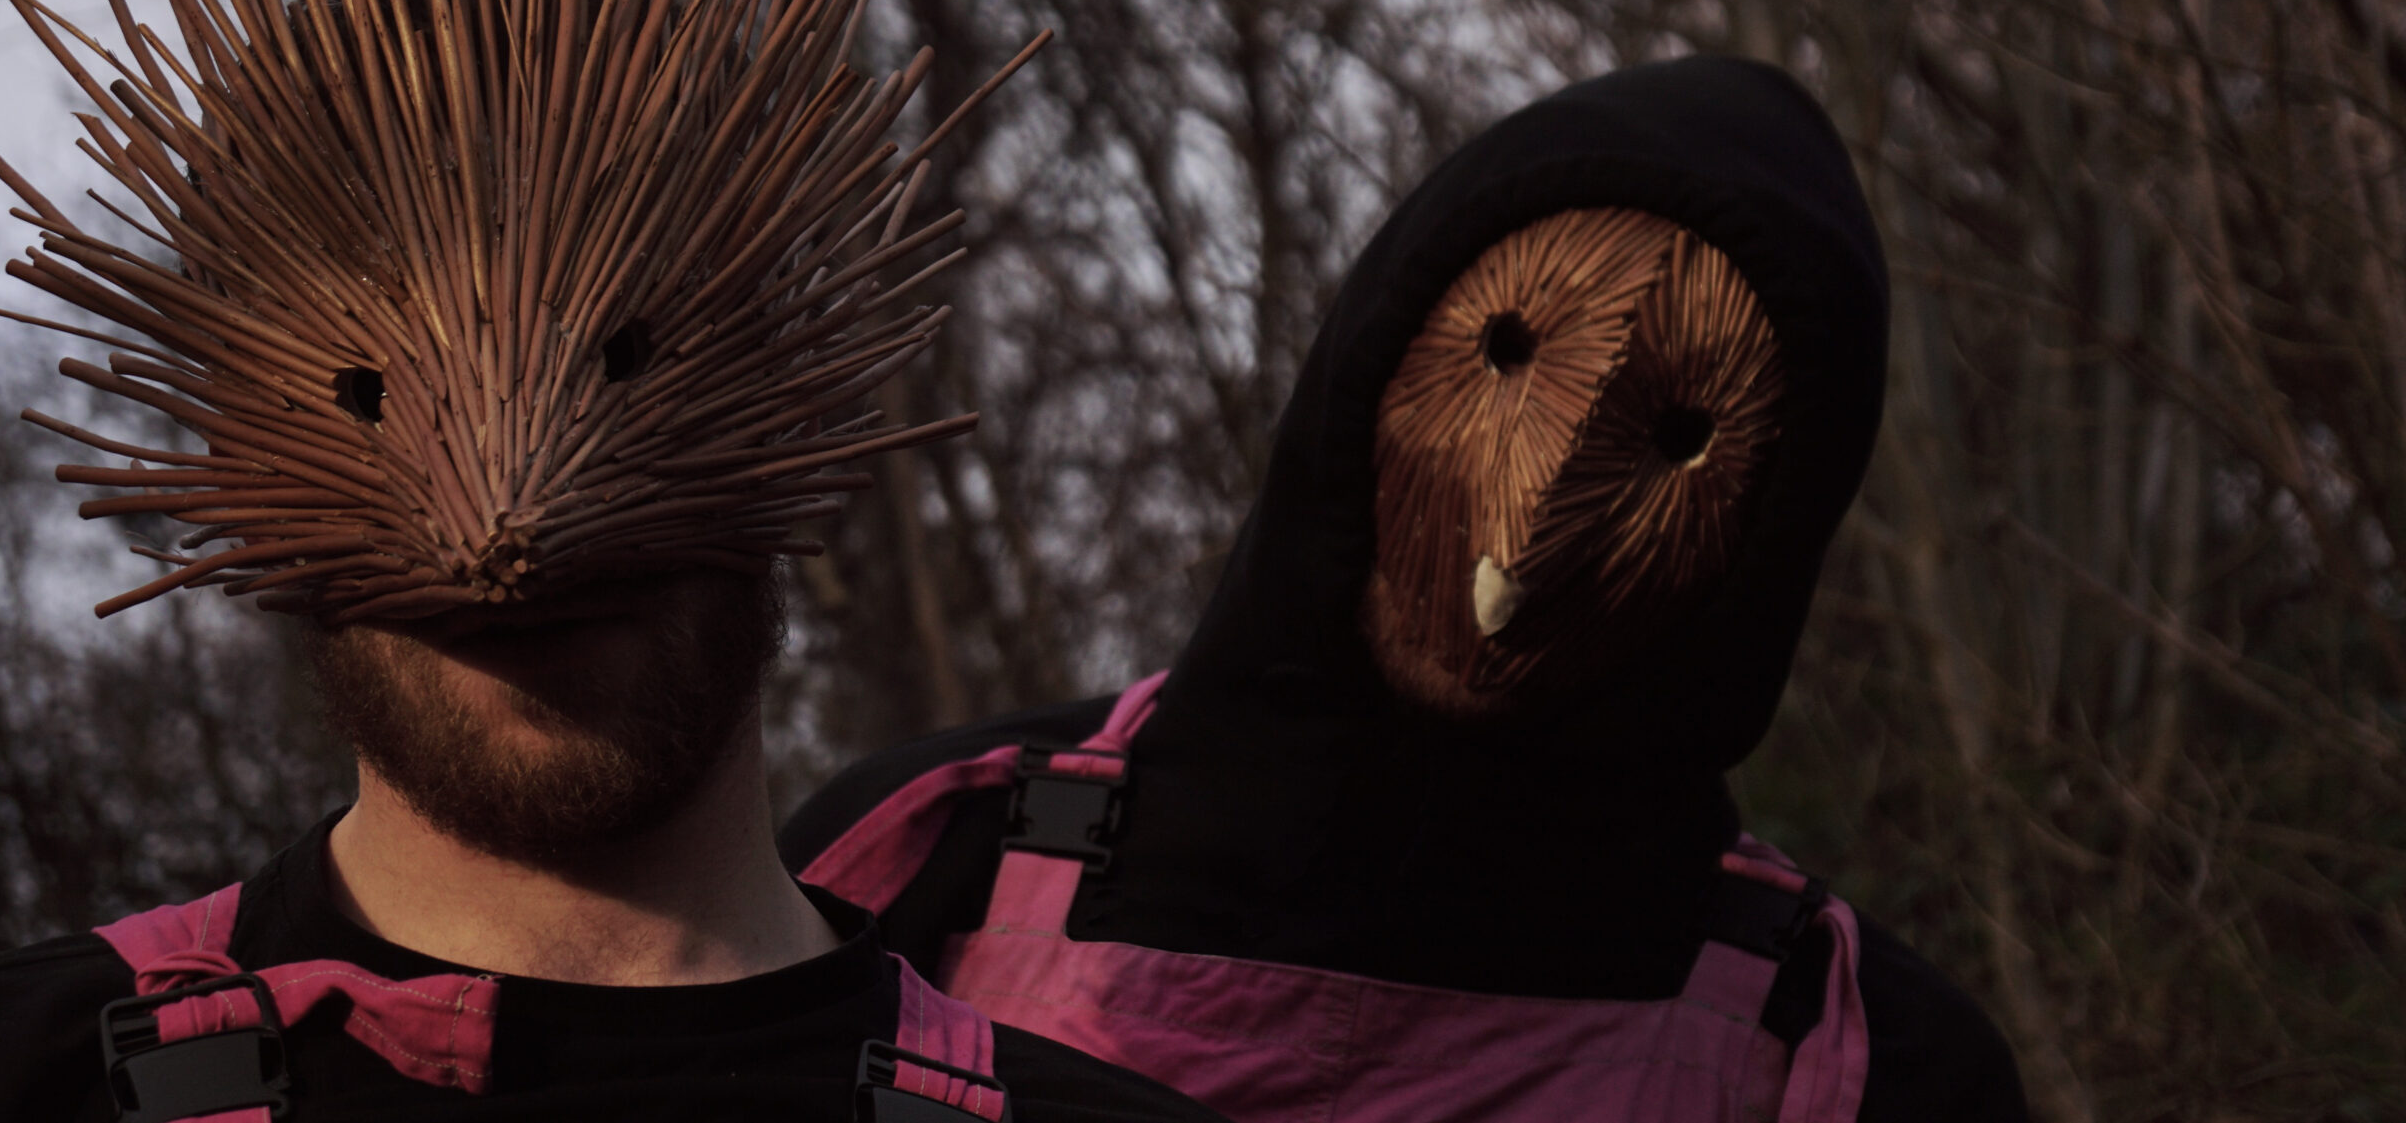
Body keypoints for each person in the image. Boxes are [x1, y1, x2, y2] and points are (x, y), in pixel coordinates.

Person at [0, 0, 1227, 1123]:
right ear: (231, 437)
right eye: (370, 395)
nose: (512, 533)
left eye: (620, 356)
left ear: (797, 372)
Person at [781, 57, 2033, 1122]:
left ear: (1757, 550)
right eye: (1507, 352)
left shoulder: (1856, 1056)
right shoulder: (924, 855)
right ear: (1370, 369)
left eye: (1678, 435)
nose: (1532, 526)